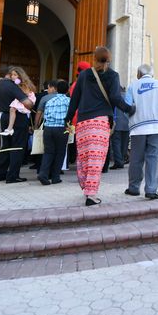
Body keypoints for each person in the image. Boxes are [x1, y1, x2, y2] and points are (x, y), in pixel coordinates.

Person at [64, 47, 134, 206]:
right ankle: (91, 194)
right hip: (100, 123)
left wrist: (67, 119)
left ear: (94, 58)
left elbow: (74, 99)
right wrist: (130, 109)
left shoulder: (83, 75)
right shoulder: (113, 75)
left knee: (83, 158)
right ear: (109, 59)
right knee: (96, 159)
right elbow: (116, 98)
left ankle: (85, 185)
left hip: (82, 123)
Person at [124, 64, 158, 200]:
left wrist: (131, 117)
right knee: (153, 158)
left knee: (136, 159)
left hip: (138, 129)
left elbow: (127, 107)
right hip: (157, 128)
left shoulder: (133, 86)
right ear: (151, 74)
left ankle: (134, 188)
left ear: (138, 74)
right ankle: (151, 190)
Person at [0, 67, 34, 183]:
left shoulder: (0, 86)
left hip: (4, 116)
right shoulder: (13, 86)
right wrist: (31, 103)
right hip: (18, 118)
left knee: (5, 146)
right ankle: (12, 176)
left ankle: (0, 174)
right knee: (17, 147)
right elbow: (27, 103)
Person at [37, 80, 71, 185]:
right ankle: (56, 177)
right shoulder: (68, 101)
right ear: (67, 90)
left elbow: (44, 114)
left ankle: (43, 174)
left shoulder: (50, 101)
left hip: (48, 128)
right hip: (61, 129)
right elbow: (71, 114)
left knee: (48, 152)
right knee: (60, 153)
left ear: (56, 89)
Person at [0, 70, 36, 136]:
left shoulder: (23, 83)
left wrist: (19, 90)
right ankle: (9, 128)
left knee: (12, 109)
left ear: (20, 76)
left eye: (15, 75)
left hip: (27, 98)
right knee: (12, 109)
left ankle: (10, 128)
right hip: (21, 99)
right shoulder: (17, 82)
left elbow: (26, 92)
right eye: (12, 75)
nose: (12, 76)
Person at [110, 86, 130, 169]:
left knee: (116, 144)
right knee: (124, 144)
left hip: (117, 123)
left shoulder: (115, 97)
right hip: (127, 124)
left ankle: (118, 162)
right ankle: (121, 159)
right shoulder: (129, 96)